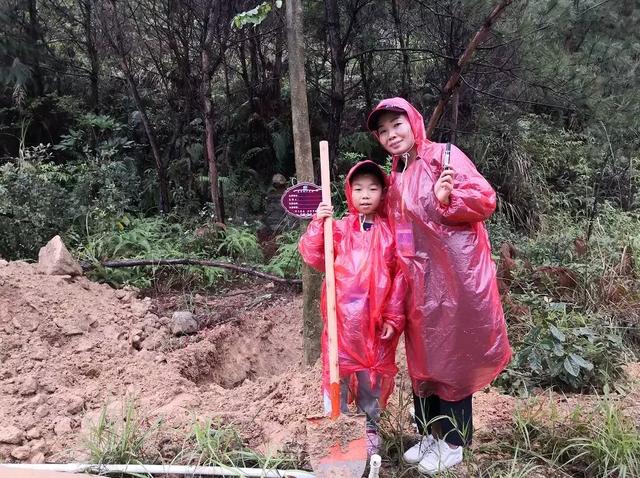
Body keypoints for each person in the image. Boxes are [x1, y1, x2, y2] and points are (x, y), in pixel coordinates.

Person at [366, 97, 512, 475]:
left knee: (453, 361)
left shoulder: (444, 157)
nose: (390, 135)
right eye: (382, 131)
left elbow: (484, 199)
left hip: (456, 278)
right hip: (419, 284)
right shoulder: (398, 177)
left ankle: (454, 443)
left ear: (413, 121)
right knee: (424, 361)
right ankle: (430, 433)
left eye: (395, 125)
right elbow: (395, 225)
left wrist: (448, 200)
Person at [298, 160, 406, 456]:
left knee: (371, 379)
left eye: (372, 188)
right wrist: (319, 224)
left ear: (383, 194)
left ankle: (370, 429)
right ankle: (337, 427)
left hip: (375, 325)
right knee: (337, 372)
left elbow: (400, 277)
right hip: (341, 323)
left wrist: (394, 317)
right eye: (358, 189)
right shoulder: (341, 229)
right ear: (349, 192)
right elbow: (313, 254)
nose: (365, 195)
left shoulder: (391, 233)